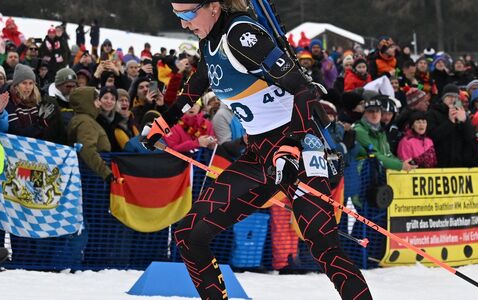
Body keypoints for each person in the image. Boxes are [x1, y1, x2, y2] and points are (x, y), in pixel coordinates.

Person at [160, 2, 371, 298]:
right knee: (189, 235)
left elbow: (304, 90)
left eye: (188, 14)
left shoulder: (241, 34)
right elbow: (196, 87)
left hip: (300, 147)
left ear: (214, 7)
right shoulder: (210, 42)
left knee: (322, 244)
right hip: (259, 154)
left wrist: (291, 145)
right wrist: (164, 122)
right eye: (178, 16)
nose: (183, 23)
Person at [4, 64, 64, 144]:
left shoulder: (37, 101)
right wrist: (40, 124)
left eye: (30, 83)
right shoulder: (10, 102)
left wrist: (46, 124)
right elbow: (17, 134)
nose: (28, 87)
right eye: (24, 83)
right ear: (16, 85)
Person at [67, 86, 113, 181]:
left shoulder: (83, 119)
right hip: (93, 177)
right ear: (86, 102)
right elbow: (87, 148)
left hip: (92, 174)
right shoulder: (86, 122)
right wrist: (106, 172)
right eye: (96, 100)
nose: (99, 103)